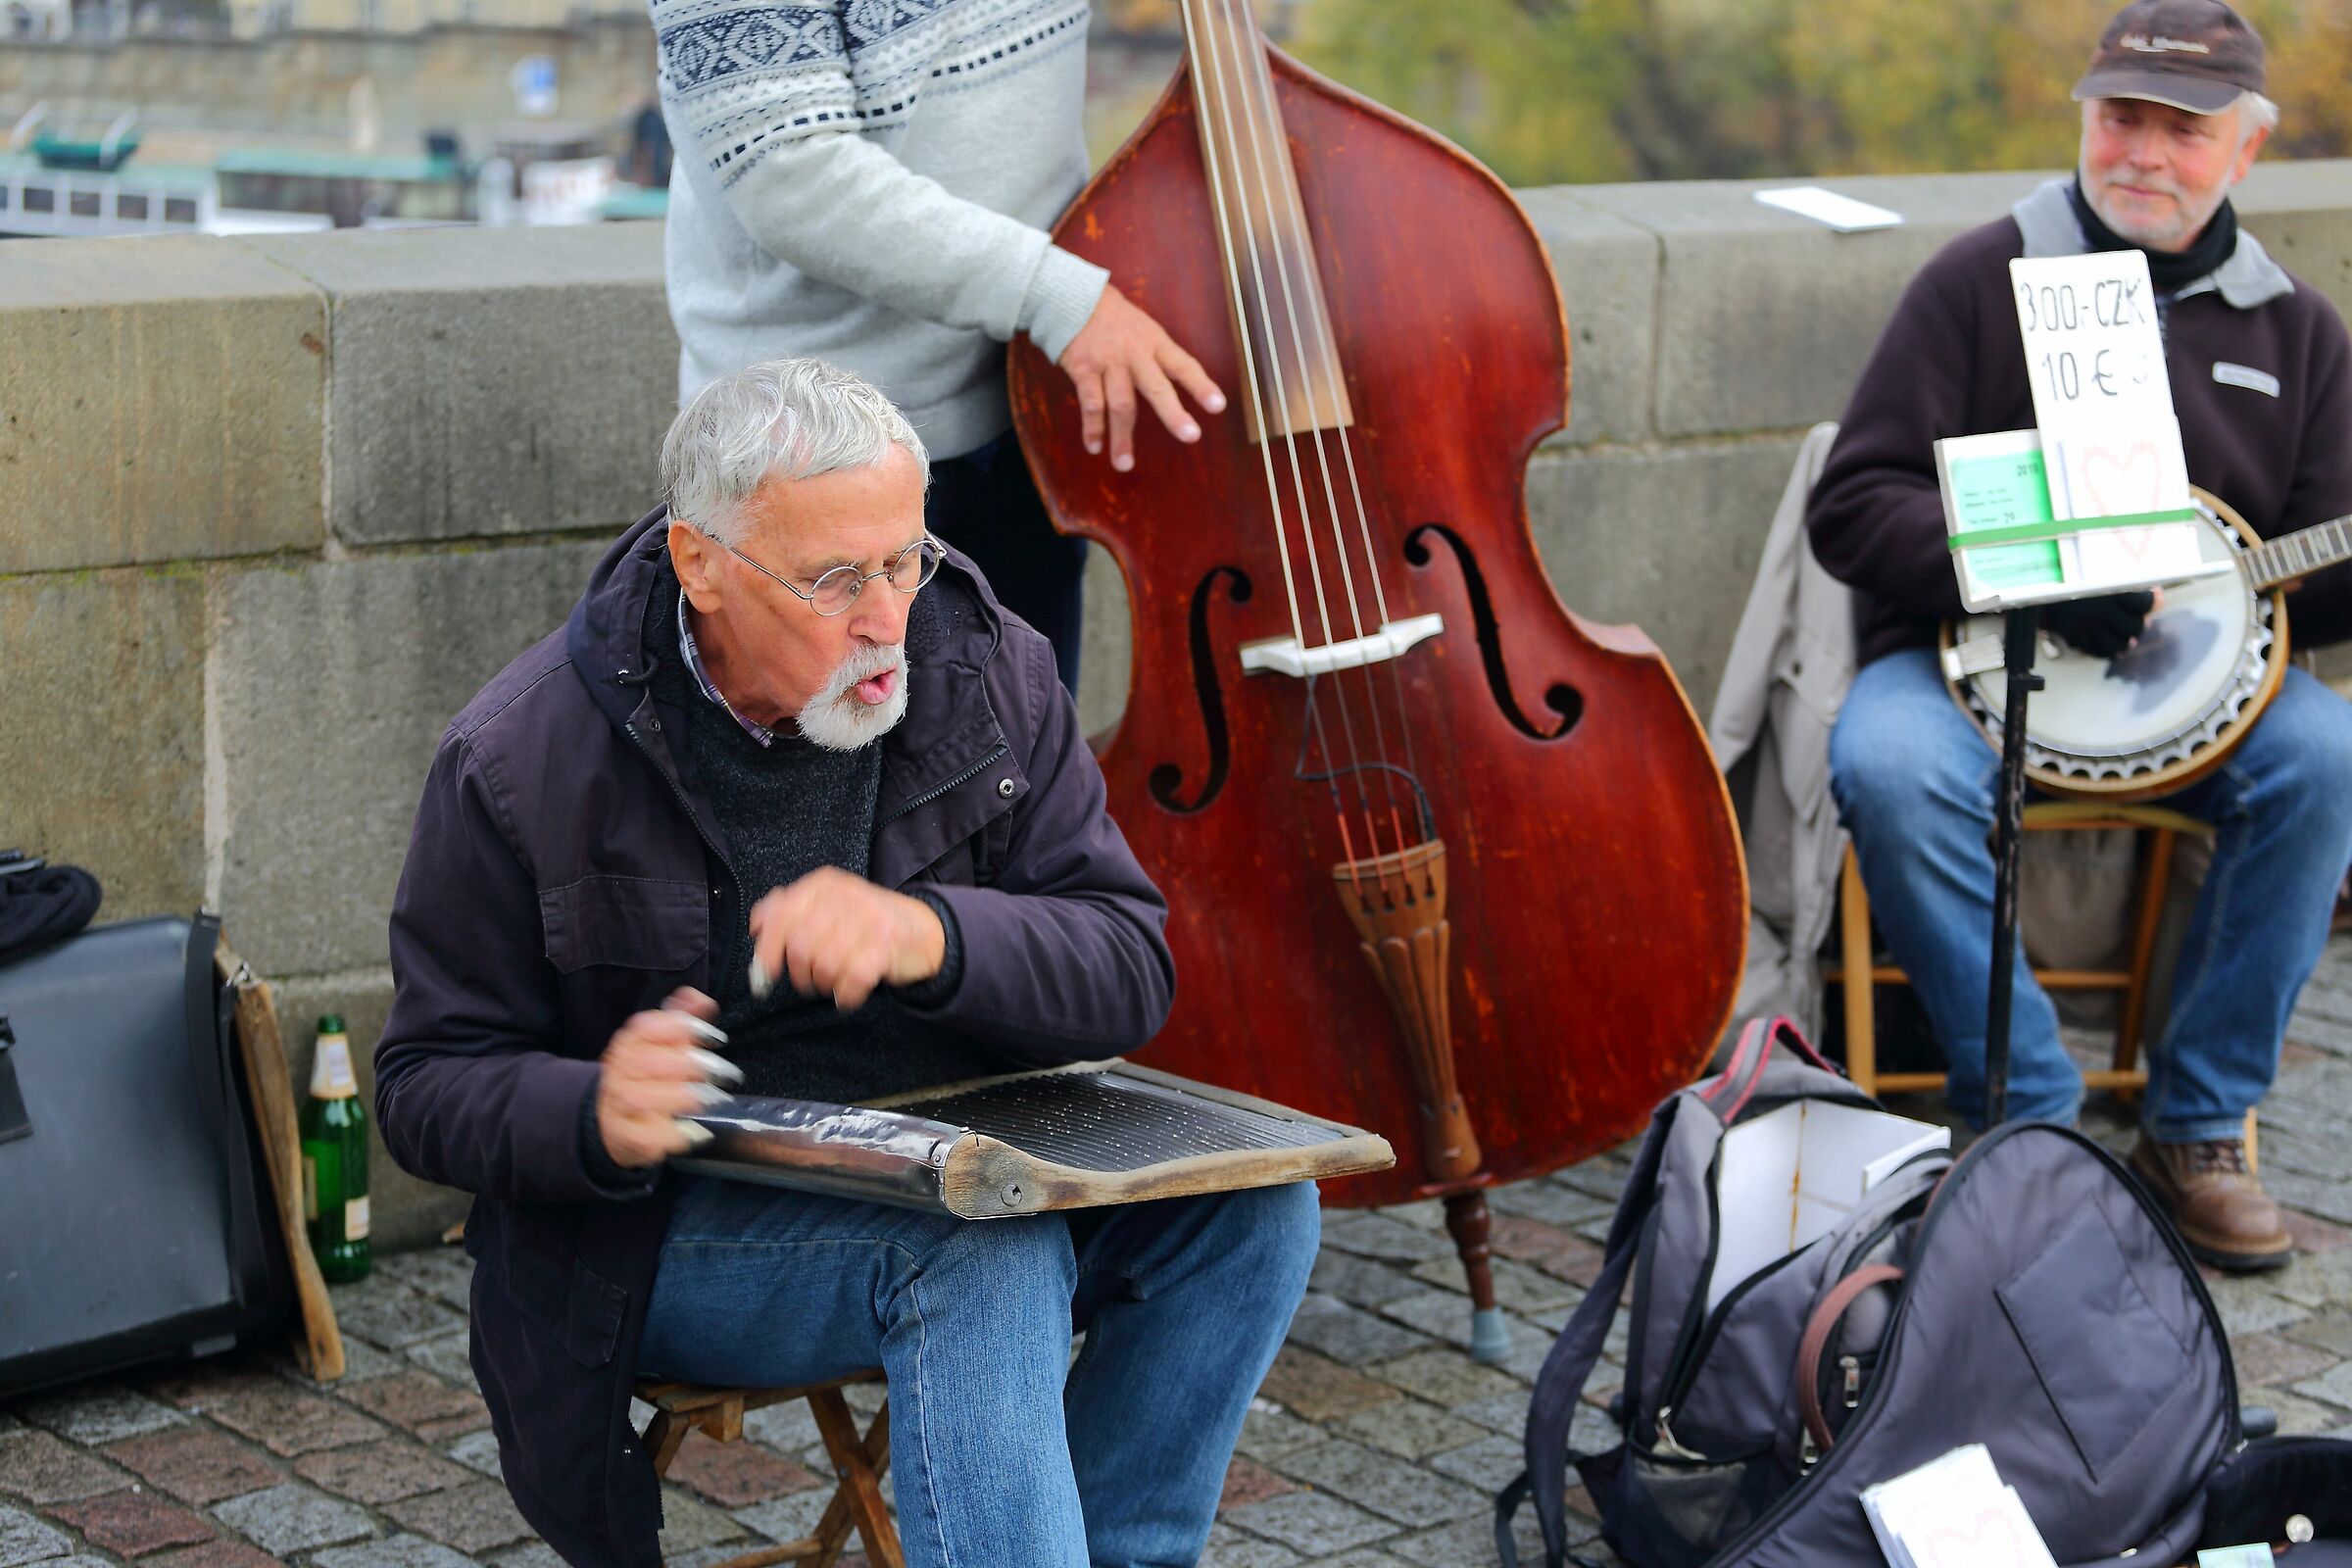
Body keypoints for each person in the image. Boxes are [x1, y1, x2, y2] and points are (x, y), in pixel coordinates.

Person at [374, 359, 1319, 1568]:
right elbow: (422, 1084)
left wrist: (934, 935)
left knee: (1255, 1208)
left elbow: (1130, 965)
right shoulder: (521, 756)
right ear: (699, 563)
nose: (887, 618)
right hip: (669, 1220)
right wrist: (593, 1107)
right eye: (836, 579)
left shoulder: (984, 664)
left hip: (960, 1136)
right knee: (980, 1242)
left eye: (903, 559)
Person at [1808, 0, 2352, 1272]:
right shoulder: (1973, 281)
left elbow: (2320, 567)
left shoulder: (2298, 329)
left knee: (2330, 754)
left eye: (2183, 129)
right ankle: (2029, 1111)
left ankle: (2199, 1123)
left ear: (2246, 150)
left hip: (2202, 690)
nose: (2144, 156)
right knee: (1887, 765)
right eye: (2122, 120)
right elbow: (1857, 500)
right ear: (2085, 121)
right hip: (1962, 663)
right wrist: (2027, 583)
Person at [644, 0, 1226, 695]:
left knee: (1022, 780)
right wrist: (1056, 293)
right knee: (821, 789)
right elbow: (789, 172)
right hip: (814, 453)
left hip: (1023, 409)